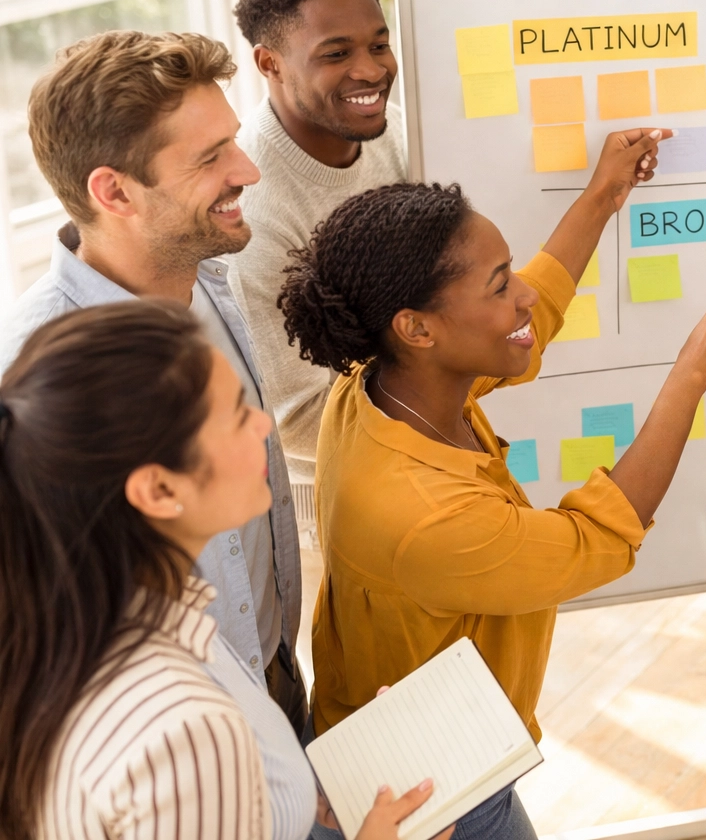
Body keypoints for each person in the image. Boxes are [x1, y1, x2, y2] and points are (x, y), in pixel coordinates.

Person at [282, 138, 706, 836]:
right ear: (416, 327)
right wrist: (689, 379)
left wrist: (601, 194)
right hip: (432, 790)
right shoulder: (427, 518)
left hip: (414, 750)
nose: (523, 294)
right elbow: (599, 538)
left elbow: (538, 311)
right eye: (499, 285)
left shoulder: (381, 386)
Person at [0, 301, 439, 840]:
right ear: (159, 489)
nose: (262, 423)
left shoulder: (78, 623)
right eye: (234, 415)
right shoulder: (186, 732)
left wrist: (286, 799)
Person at [0, 31, 307, 736]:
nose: (248, 171)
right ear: (112, 191)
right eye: (211, 158)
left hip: (277, 691)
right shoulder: (30, 376)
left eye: (233, 140)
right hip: (177, 753)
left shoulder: (216, 283)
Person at [227, 0, 409, 526]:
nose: (372, 70)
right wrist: (455, 376)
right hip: (338, 511)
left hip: (428, 472)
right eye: (337, 53)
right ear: (269, 63)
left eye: (378, 44)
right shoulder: (250, 208)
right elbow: (297, 416)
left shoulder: (399, 132)